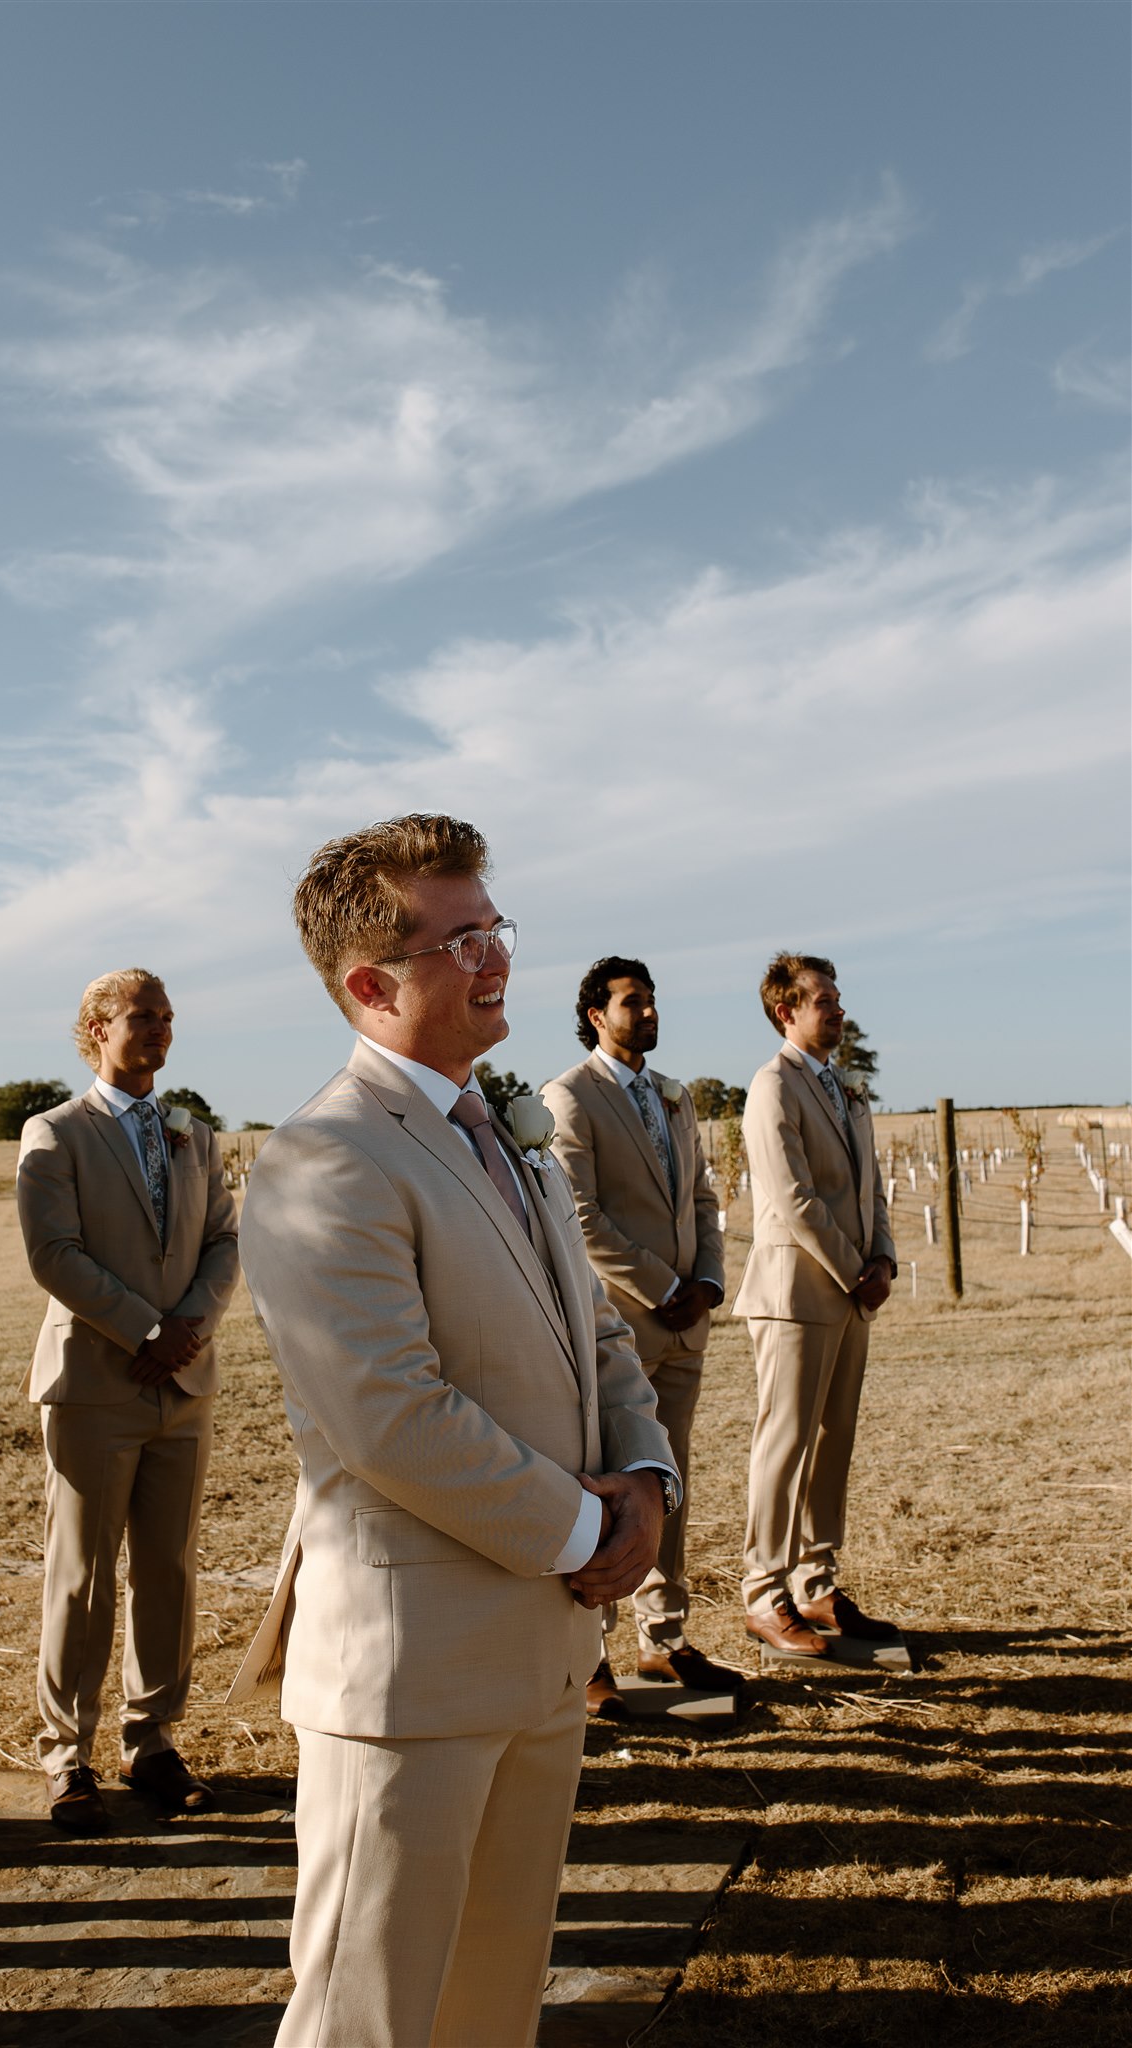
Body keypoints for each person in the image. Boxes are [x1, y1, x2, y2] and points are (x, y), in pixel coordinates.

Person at [229, 814, 677, 2048]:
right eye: (464, 937)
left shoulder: (510, 1134)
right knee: (367, 2015)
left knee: (490, 2003)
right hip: (411, 1670)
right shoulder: (326, 1156)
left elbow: (593, 1333)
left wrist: (645, 1480)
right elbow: (390, 1413)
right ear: (370, 983)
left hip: (540, 1649)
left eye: (497, 927)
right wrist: (592, 1527)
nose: (498, 957)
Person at [16, 970, 240, 1833]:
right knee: (82, 1575)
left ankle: (151, 1738)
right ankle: (64, 1754)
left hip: (183, 1382)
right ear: (97, 1028)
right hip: (96, 1383)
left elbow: (223, 1237)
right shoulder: (57, 1131)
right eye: (143, 1016)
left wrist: (189, 1327)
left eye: (167, 1017)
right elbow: (53, 1253)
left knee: (168, 1569)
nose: (160, 1029)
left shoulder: (195, 1133)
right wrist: (145, 1330)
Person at [544, 956, 739, 1711]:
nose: (649, 1013)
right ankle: (587, 1654)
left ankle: (665, 1640)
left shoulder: (674, 1096)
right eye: (633, 1002)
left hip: (685, 1327)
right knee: (605, 1487)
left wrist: (709, 1284)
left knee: (670, 1488)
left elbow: (700, 1194)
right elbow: (580, 1213)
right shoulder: (569, 1097)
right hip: (620, 1328)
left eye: (653, 1001)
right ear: (595, 1014)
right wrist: (663, 1287)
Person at [734, 953, 898, 1657]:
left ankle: (816, 1582)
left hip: (852, 1292)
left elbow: (873, 1190)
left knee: (834, 1444)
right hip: (795, 1294)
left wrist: (884, 1258)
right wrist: (851, 1269)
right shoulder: (772, 1087)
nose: (836, 1009)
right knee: (785, 1444)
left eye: (837, 998)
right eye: (822, 1000)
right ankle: (764, 1594)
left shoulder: (847, 1091)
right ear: (785, 1011)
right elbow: (791, 1197)